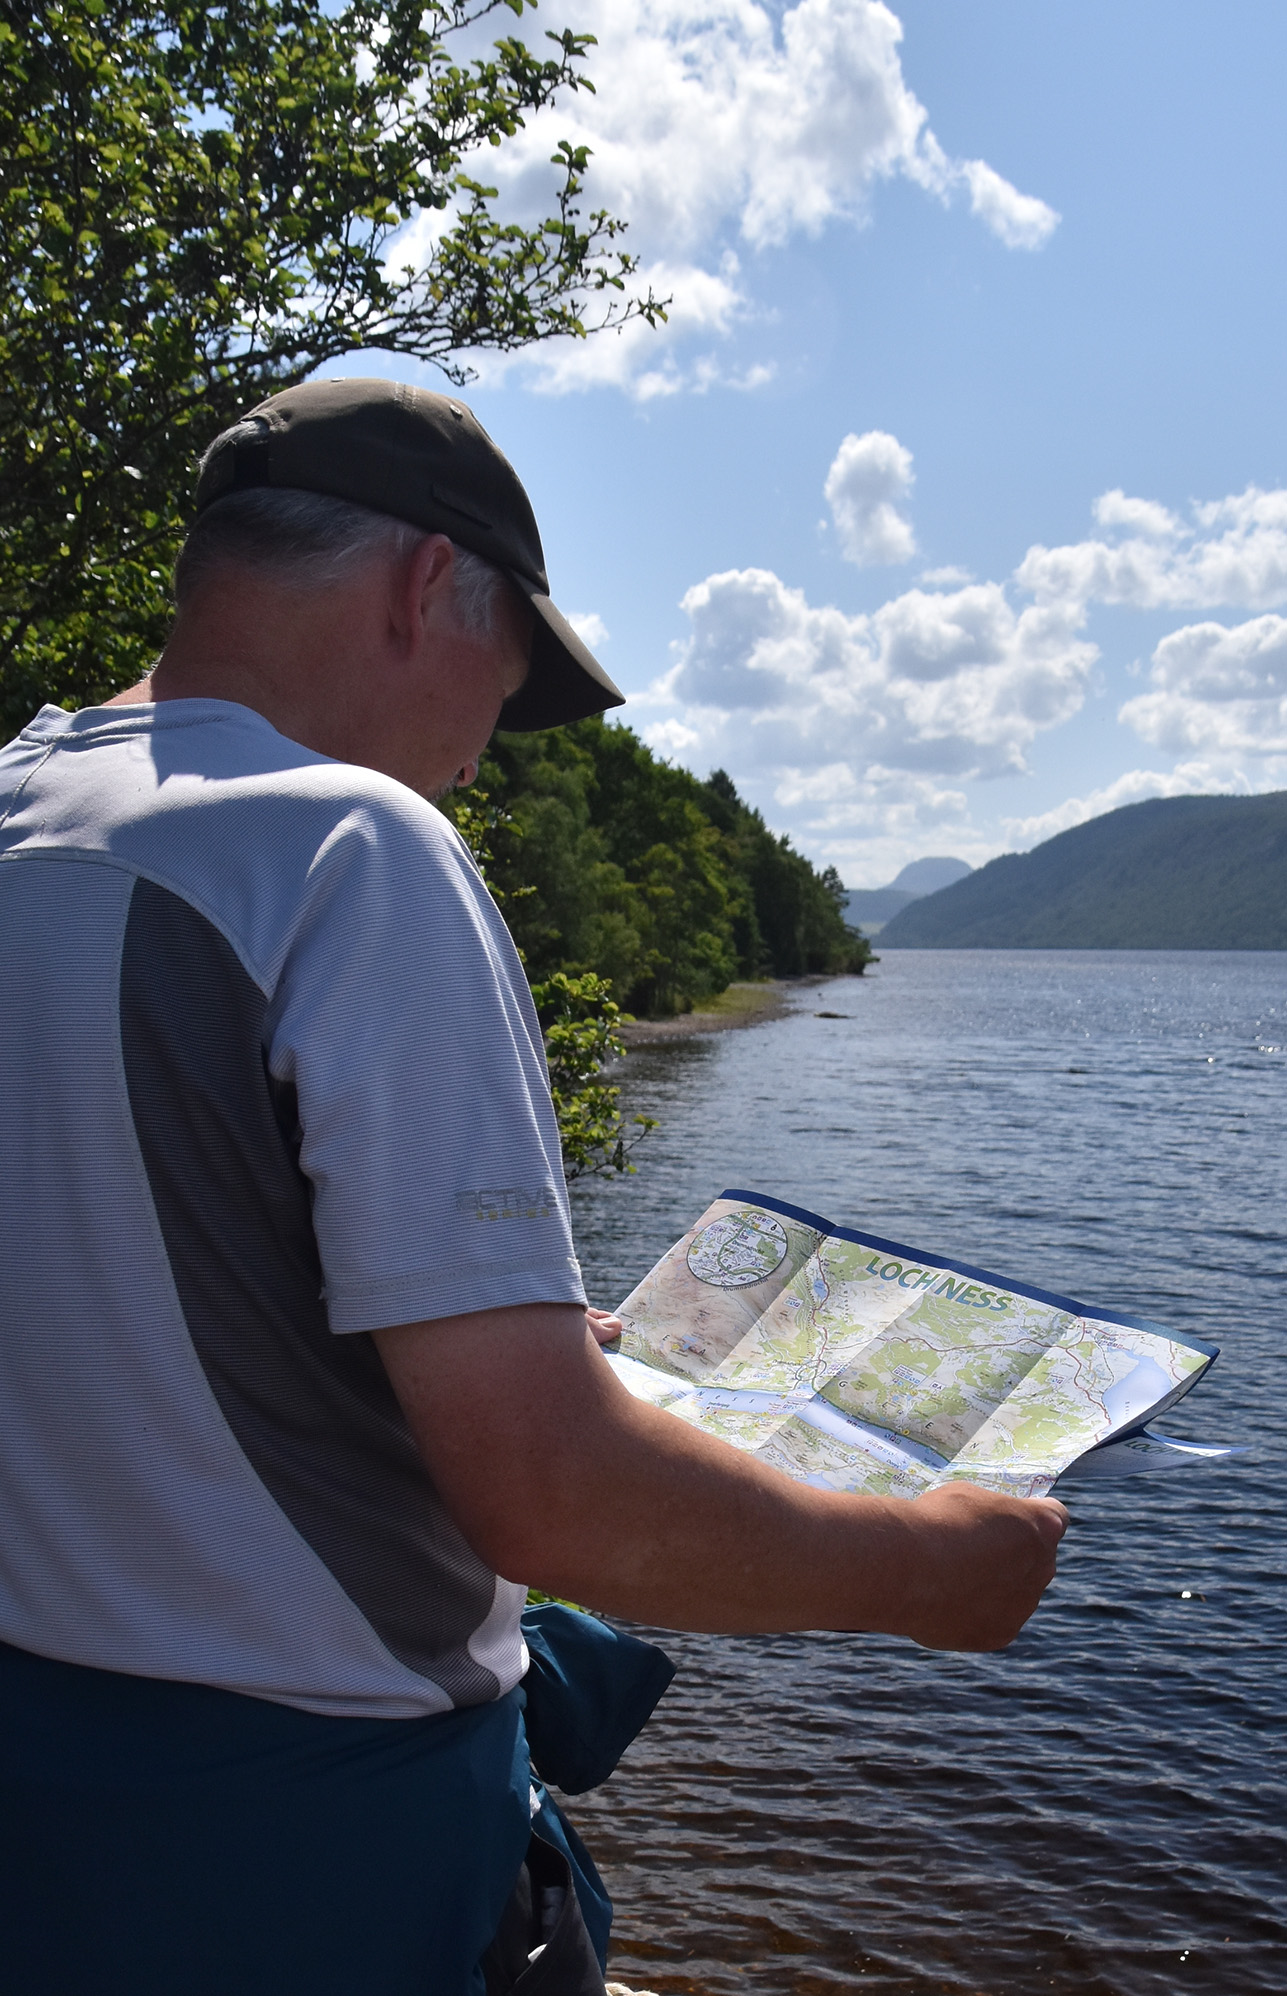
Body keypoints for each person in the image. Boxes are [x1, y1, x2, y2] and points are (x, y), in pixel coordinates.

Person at [0, 379, 1068, 1995]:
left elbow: (118, 1295)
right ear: (429, 585)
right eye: (504, 694)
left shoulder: (26, 807)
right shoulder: (350, 849)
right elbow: (550, 1495)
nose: (481, 770)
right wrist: (930, 1568)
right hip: (303, 1869)